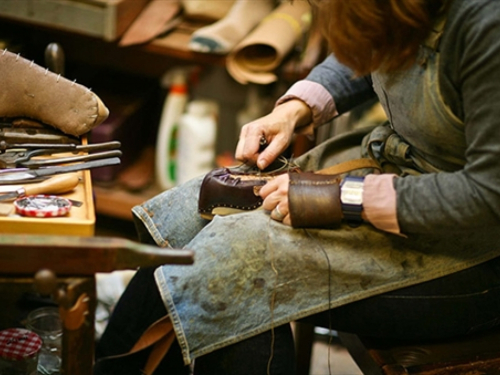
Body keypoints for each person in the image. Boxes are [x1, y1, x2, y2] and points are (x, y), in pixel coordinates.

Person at [94, 0, 500, 374]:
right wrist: (295, 108)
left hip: (474, 251)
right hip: (397, 167)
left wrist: (344, 197)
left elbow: (489, 194)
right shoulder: (397, 7)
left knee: (236, 268)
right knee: (192, 214)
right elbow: (373, 38)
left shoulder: (486, 24)